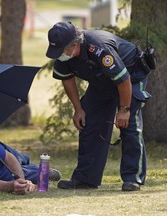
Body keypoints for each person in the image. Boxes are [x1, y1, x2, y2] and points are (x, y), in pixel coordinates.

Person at [45, 22, 151, 191]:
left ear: (75, 44)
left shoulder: (99, 48)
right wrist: (78, 109)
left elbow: (123, 80)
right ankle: (85, 179)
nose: (61, 55)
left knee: (129, 124)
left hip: (130, 76)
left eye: (63, 51)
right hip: (102, 82)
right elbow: (67, 78)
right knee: (89, 122)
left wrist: (123, 110)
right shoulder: (64, 52)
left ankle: (133, 178)